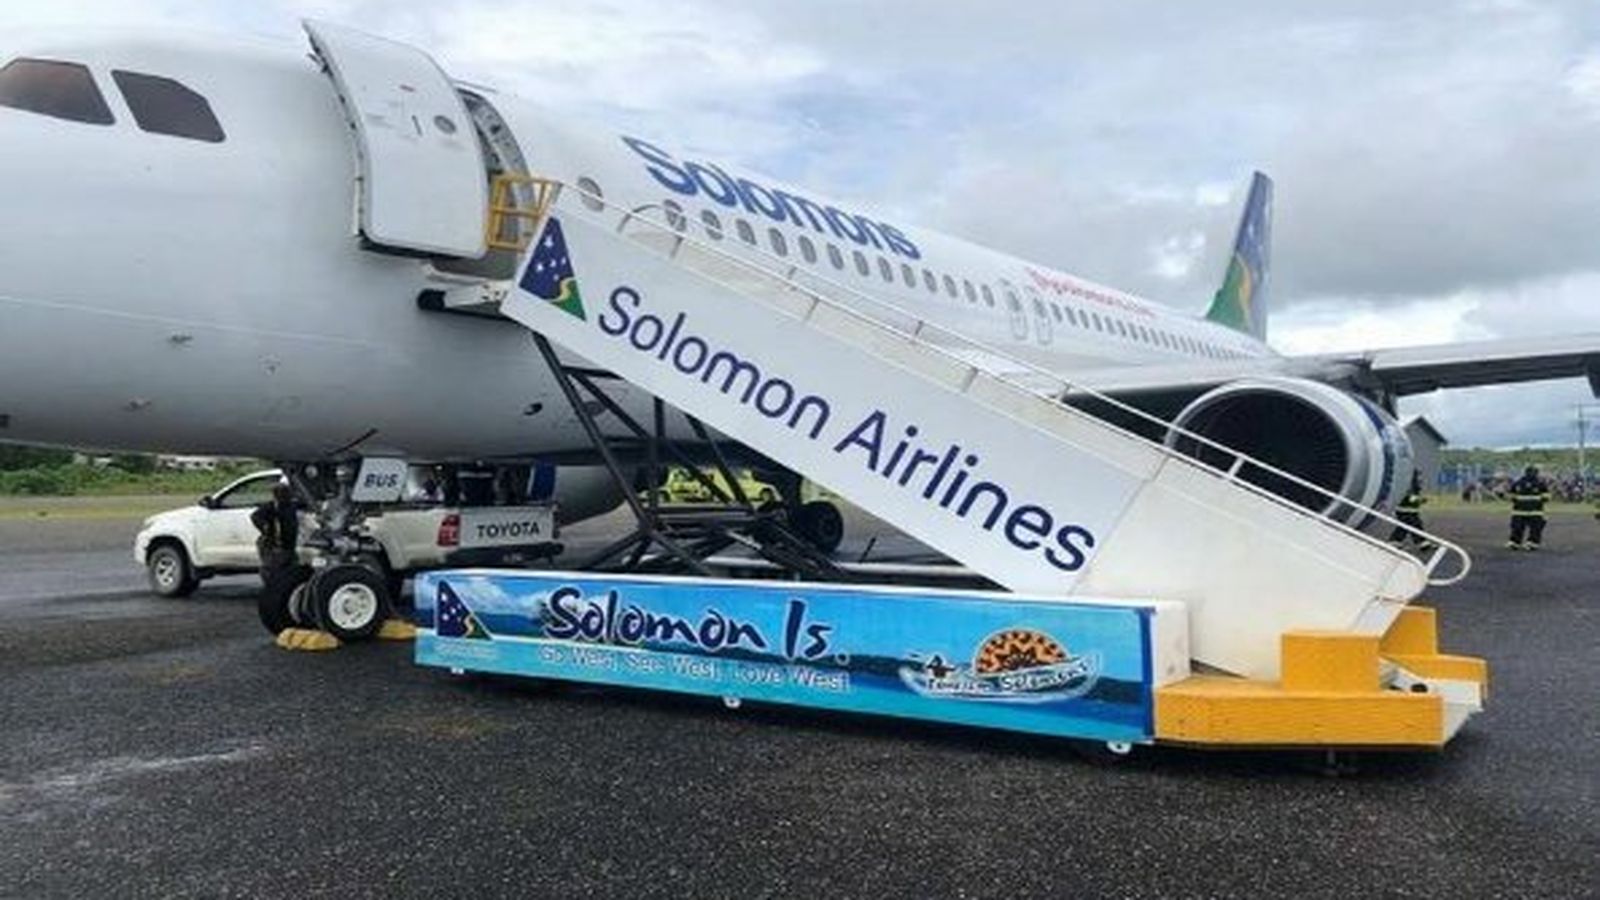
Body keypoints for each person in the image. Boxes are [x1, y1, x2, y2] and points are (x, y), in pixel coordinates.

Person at [251, 481, 300, 578]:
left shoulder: (291, 506)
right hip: (275, 546)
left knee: (290, 568)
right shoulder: (271, 507)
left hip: (287, 545)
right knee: (273, 569)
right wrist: (265, 527)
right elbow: (255, 517)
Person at [1507, 465, 1550, 550]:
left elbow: (1511, 496)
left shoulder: (1518, 483)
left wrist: (1519, 501)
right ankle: (1531, 543)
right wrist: (1536, 500)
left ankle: (1515, 542)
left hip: (1519, 511)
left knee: (1517, 527)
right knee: (1535, 528)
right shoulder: (1540, 484)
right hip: (1535, 511)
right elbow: (1546, 497)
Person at [1391, 472, 1432, 548]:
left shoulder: (1415, 487)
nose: (1421, 480)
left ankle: (1395, 541)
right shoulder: (1409, 487)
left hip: (1410, 511)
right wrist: (1421, 500)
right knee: (1413, 525)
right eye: (1419, 477)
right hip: (1404, 511)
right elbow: (1409, 498)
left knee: (1408, 526)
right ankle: (1421, 542)